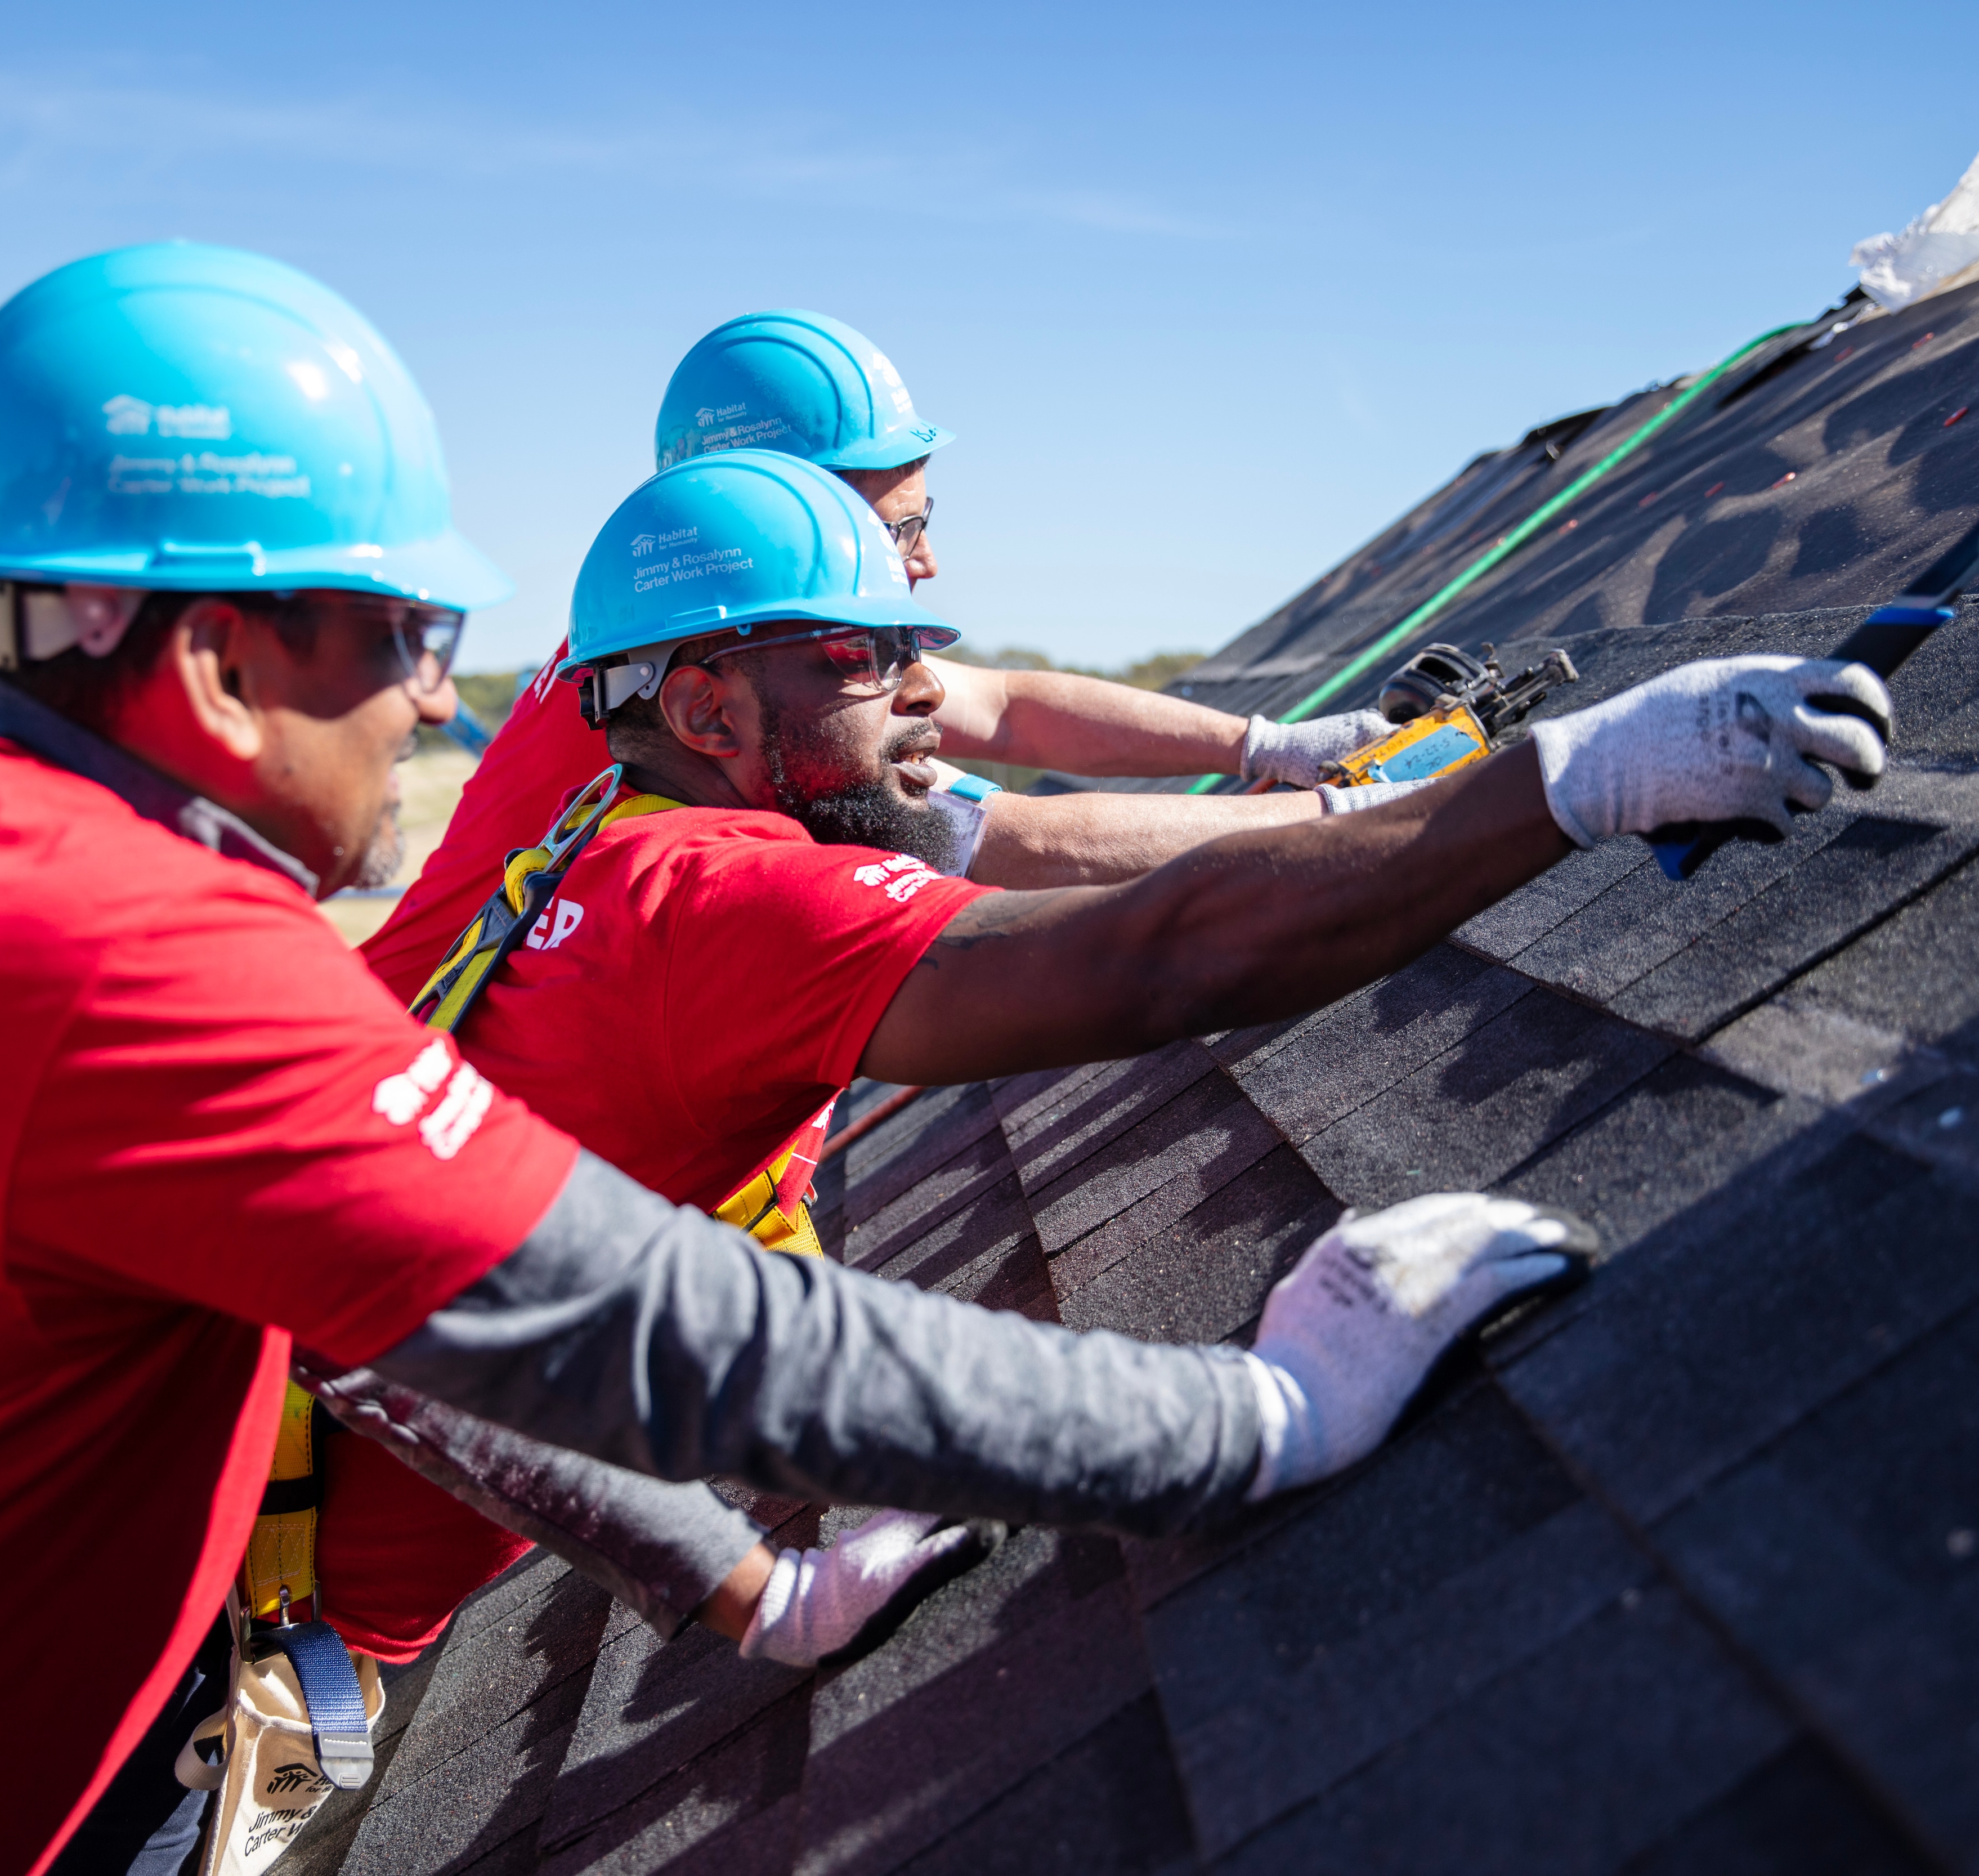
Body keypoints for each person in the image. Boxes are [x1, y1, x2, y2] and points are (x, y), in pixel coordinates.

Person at [0, 243, 1592, 1876]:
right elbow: (677, 1335)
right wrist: (1256, 1415)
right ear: (208, 656)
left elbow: (384, 1335)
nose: (444, 707)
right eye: (402, 633)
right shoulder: (110, 953)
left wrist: (734, 1584)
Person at [305, 445, 1897, 1672]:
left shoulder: (595, 844)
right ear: (713, 704)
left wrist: (747, 1589)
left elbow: (441, 1316)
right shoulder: (722, 896)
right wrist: (1571, 780)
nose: (915, 706)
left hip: (304, 1581)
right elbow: (1162, 951)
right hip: (248, 1709)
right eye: (865, 666)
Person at [357, 306, 1398, 1010]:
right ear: (791, 510)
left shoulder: (682, 626)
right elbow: (1018, 839)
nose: (928, 559)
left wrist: (1277, 741)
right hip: (411, 1086)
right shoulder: (744, 682)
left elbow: (1011, 707)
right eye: (902, 525)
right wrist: (1364, 814)